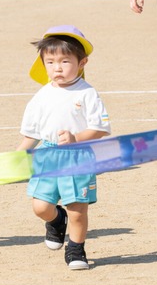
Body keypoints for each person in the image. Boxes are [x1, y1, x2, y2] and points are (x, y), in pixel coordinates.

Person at [18, 26, 111, 270]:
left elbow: (100, 128)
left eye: (65, 61)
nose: (57, 68)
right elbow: (32, 133)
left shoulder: (88, 93)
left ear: (82, 62)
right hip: (47, 155)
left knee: (77, 209)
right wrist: (19, 154)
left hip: (78, 156)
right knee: (40, 207)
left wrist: (76, 137)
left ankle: (76, 249)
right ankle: (57, 221)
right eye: (50, 62)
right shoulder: (42, 95)